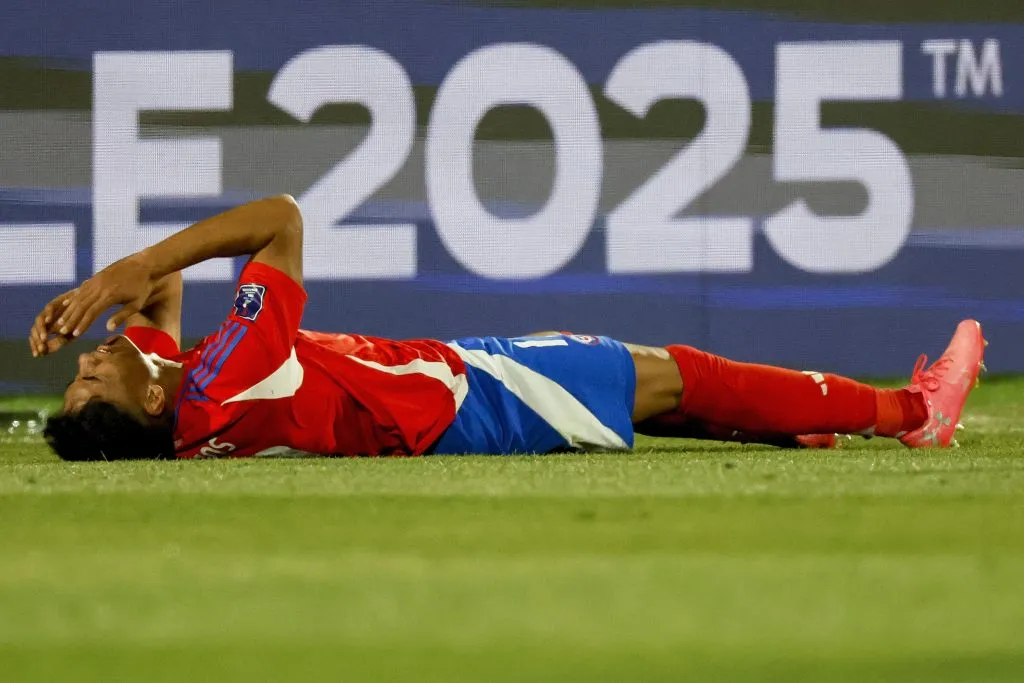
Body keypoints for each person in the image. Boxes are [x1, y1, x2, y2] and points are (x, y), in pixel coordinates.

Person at [29, 196, 986, 461]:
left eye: (78, 371)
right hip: (468, 402)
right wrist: (141, 266)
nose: (93, 358)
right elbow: (280, 216)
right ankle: (911, 410)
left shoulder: (181, 408)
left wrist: (131, 285)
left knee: (660, 402)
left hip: (443, 391)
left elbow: (150, 327)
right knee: (672, 374)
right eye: (95, 379)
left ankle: (791, 422)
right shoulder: (230, 370)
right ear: (151, 402)